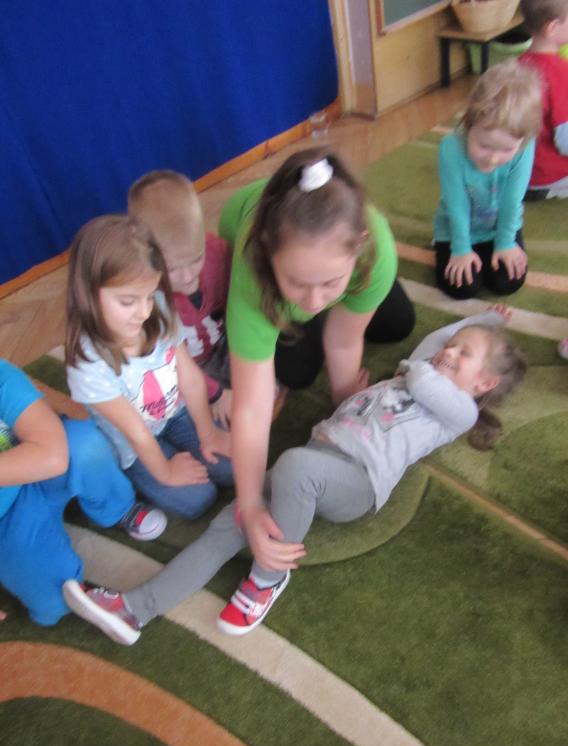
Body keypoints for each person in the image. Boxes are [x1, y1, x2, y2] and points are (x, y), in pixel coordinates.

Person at [62, 306, 526, 645]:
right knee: (227, 524)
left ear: (483, 385)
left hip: (358, 482)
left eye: (463, 353)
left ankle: (268, 578)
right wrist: (481, 322)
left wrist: (442, 354)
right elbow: (435, 344)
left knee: (295, 466)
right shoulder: (422, 367)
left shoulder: (458, 412)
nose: (448, 351)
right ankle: (135, 609)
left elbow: (425, 376)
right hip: (314, 461)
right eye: (451, 346)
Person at [216, 147, 415, 572]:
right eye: (297, 283)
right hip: (249, 242)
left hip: (342, 263)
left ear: (360, 246)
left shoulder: (377, 248)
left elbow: (343, 341)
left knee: (399, 322)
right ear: (269, 255)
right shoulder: (252, 263)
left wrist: (346, 405)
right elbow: (252, 407)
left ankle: (321, 281)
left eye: (330, 283)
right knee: (296, 370)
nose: (312, 302)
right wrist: (249, 504)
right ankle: (304, 284)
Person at [65, 215, 233, 519]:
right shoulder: (87, 363)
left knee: (235, 466)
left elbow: (190, 379)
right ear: (88, 292)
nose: (143, 312)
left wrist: (208, 433)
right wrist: (167, 472)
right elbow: (136, 432)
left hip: (176, 413)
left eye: (148, 296)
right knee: (198, 499)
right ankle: (139, 478)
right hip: (134, 445)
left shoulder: (157, 306)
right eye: (128, 301)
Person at [0, 359, 167, 627]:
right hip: (7, 519)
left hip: (43, 470)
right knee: (55, 602)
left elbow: (53, 456)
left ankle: (118, 508)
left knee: (84, 444)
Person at [128, 170, 234, 427]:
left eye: (196, 258)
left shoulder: (218, 252)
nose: (188, 277)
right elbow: (170, 363)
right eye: (172, 268)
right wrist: (216, 394)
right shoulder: (145, 297)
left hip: (223, 347)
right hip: (184, 372)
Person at [433, 60, 541, 300]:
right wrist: (461, 249)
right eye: (483, 145)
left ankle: (488, 251)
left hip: (500, 227)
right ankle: (469, 252)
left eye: (506, 150)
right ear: (468, 123)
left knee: (507, 282)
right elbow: (457, 205)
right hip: (456, 229)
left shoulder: (525, 148)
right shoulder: (451, 148)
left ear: (522, 142)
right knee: (461, 288)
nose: (492, 159)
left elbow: (512, 201)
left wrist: (505, 243)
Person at [519, 0, 568, 200]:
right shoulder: (561, 73)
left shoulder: (519, 64)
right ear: (552, 27)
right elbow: (565, 140)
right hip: (548, 176)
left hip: (517, 172)